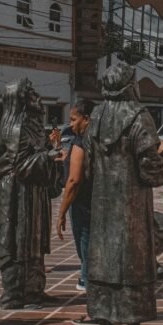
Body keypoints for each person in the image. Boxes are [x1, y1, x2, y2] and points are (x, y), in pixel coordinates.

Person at [85, 64, 163, 325]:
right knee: (133, 261)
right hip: (131, 204)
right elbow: (150, 168)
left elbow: (89, 162)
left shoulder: (96, 116)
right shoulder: (139, 116)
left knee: (103, 261)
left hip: (102, 204)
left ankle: (104, 323)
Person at [0, 78, 65, 310]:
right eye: (31, 92)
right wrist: (50, 157)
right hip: (20, 195)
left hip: (31, 193)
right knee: (19, 240)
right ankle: (15, 294)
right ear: (22, 98)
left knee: (33, 241)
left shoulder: (30, 122)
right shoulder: (19, 126)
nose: (37, 96)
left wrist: (49, 153)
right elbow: (20, 166)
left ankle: (33, 291)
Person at [56, 99, 95, 294]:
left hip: (82, 201)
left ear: (86, 119)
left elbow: (73, 180)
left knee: (84, 239)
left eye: (73, 119)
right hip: (97, 199)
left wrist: (62, 211)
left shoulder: (82, 141)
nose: (71, 124)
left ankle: (87, 279)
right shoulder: (98, 138)